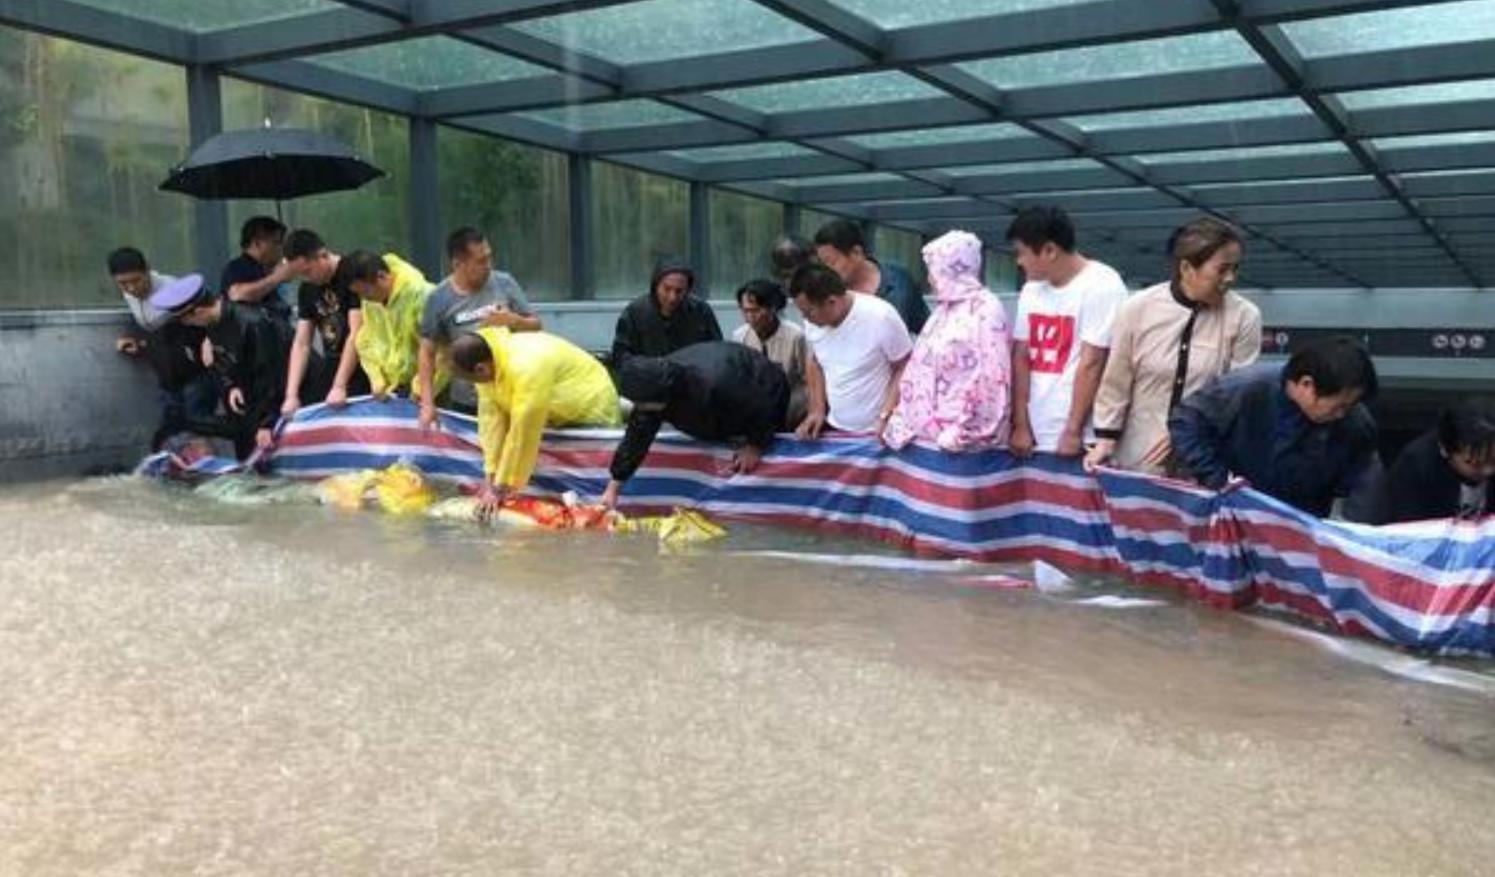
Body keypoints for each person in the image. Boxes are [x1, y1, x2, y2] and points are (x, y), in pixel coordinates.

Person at [1085, 218, 1262, 475]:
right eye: (1221, 269)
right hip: (1138, 458)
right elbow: (1116, 380)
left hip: (1202, 461)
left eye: (1235, 269)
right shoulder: (1138, 308)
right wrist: (1105, 439)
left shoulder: (1245, 317)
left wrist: (1188, 430)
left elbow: (1236, 396)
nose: (1230, 278)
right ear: (1187, 267)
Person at [1168, 336, 1379, 518]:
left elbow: (1362, 484)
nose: (1341, 414)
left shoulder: (1355, 421)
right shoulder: (1246, 389)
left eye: (1349, 406)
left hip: (1303, 521)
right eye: (1338, 406)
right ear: (1306, 384)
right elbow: (1185, 422)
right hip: (1235, 510)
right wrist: (1218, 480)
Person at [448, 328, 621, 517]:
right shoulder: (488, 365)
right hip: (554, 415)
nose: (471, 384)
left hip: (590, 407)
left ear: (481, 369)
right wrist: (489, 479)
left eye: (468, 379)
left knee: (591, 486)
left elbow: (522, 433)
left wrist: (499, 489)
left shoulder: (526, 365)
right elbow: (491, 425)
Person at [600, 342, 790, 509]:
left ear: (659, 399)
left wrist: (756, 444)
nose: (639, 408)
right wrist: (613, 487)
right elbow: (637, 436)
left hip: (763, 385)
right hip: (715, 407)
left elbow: (761, 404)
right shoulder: (652, 387)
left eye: (641, 404)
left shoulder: (713, 384)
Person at [1005, 205, 1127, 458]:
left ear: (1049, 250)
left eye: (1022, 253)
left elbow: (1092, 361)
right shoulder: (1031, 290)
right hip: (1035, 433)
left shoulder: (1102, 284)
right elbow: (1021, 356)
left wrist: (1073, 430)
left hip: (1079, 438)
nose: (1019, 262)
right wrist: (1020, 423)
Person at [884, 230, 1012, 451]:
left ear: (950, 268)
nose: (929, 278)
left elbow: (993, 376)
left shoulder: (986, 310)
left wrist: (966, 431)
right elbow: (918, 368)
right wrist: (902, 416)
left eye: (933, 270)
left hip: (963, 441)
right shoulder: (942, 312)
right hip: (927, 437)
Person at [150, 274, 292, 460]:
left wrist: (266, 423)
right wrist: (231, 385)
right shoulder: (214, 323)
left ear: (198, 312)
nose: (188, 325)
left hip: (285, 395)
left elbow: (271, 375)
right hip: (253, 395)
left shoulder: (251, 322)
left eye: (186, 320)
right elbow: (226, 359)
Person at [417, 227, 541, 428]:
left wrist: (514, 320)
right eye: (481, 261)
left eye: (489, 258)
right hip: (467, 401)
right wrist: (427, 403)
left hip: (511, 393)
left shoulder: (505, 283)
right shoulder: (437, 299)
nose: (488, 266)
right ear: (458, 264)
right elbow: (426, 352)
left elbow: (537, 326)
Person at [789, 263, 912, 439]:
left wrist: (886, 414)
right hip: (835, 427)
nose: (805, 319)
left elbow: (905, 366)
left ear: (831, 301)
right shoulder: (813, 323)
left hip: (876, 431)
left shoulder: (880, 316)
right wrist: (816, 409)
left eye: (809, 313)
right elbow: (815, 361)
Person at [108, 247, 217, 446]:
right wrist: (138, 341)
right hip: (167, 377)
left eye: (136, 280)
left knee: (197, 427)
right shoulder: (130, 295)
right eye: (123, 284)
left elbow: (211, 313)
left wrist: (210, 341)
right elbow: (153, 328)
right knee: (171, 431)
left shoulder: (175, 290)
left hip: (196, 372)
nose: (131, 288)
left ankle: (205, 470)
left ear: (147, 270)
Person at [280, 229, 368, 416]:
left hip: (362, 364)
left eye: (307, 271)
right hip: (331, 362)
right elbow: (302, 343)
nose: (306, 278)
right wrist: (291, 394)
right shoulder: (307, 290)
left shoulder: (351, 273)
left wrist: (339, 385)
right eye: (299, 274)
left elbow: (357, 333)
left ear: (323, 255)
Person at [1364, 402, 1495, 524]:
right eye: (1474, 464)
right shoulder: (1416, 467)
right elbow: (1409, 530)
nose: (1488, 470)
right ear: (1445, 450)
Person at [336, 250, 435, 400]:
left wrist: (420, 390)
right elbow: (365, 341)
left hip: (430, 390)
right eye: (359, 294)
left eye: (366, 292)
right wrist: (377, 379)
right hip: (394, 390)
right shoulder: (371, 300)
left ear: (381, 276)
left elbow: (440, 351)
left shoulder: (421, 296)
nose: (364, 299)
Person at [813, 218, 929, 335]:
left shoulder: (900, 280)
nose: (826, 271)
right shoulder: (830, 295)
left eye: (832, 262)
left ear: (856, 252)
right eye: (822, 264)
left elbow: (927, 330)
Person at [611, 255, 722, 365]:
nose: (672, 297)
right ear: (656, 286)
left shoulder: (701, 311)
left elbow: (717, 353)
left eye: (679, 291)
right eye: (666, 289)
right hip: (648, 379)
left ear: (688, 290)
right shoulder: (635, 312)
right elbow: (621, 357)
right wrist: (652, 367)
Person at [732, 278, 809, 429]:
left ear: (772, 308)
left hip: (790, 402)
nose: (750, 317)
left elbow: (808, 379)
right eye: (745, 310)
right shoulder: (740, 336)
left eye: (755, 311)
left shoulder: (795, 336)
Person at [220, 216, 295, 320]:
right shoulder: (236, 267)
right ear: (257, 244)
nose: (281, 248)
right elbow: (236, 294)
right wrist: (278, 277)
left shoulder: (264, 271)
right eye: (276, 242)